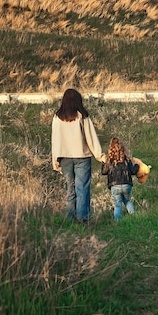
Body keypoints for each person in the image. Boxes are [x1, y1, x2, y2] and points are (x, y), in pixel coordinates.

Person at [52, 88, 106, 224]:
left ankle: (70, 219)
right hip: (82, 157)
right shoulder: (82, 116)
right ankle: (83, 219)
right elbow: (91, 138)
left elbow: (55, 140)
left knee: (70, 189)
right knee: (82, 189)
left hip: (64, 158)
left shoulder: (57, 118)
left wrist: (55, 161)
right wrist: (101, 156)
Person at [100, 138, 139, 221]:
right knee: (127, 201)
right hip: (126, 184)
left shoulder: (109, 161)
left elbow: (104, 172)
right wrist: (137, 166)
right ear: (122, 148)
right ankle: (134, 218)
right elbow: (133, 171)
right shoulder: (126, 159)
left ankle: (117, 222)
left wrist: (103, 163)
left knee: (118, 205)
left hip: (114, 186)